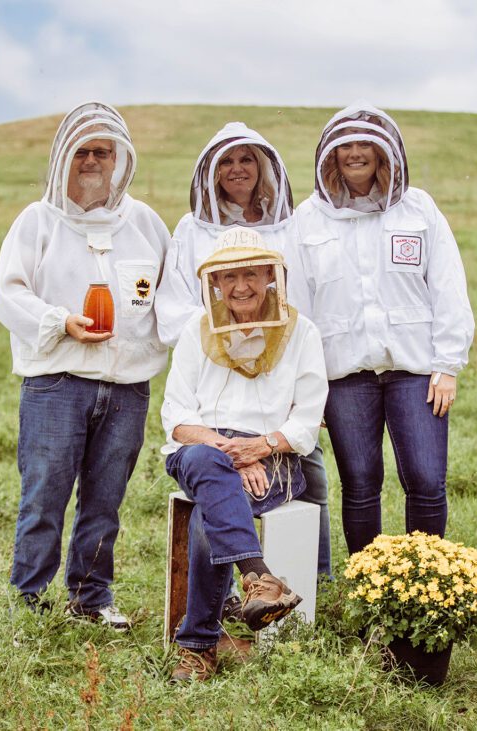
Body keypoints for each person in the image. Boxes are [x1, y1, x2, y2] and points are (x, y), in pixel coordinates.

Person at [0, 101, 171, 628]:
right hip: (56, 385)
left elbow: (172, 293)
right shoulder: (37, 221)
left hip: (127, 387)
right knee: (44, 495)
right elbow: (7, 293)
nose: (92, 161)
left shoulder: (144, 224)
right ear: (64, 157)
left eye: (103, 152)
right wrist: (58, 321)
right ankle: (28, 600)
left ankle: (91, 599)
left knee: (104, 500)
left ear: (120, 160)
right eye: (83, 152)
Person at [291, 101, 474, 555]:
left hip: (415, 369)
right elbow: (298, 307)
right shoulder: (308, 218)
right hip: (344, 375)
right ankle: (367, 583)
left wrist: (448, 365)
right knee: (359, 483)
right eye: (345, 145)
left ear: (385, 152)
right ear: (329, 155)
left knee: (427, 479)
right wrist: (304, 389)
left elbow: (448, 285)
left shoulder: (418, 209)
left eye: (364, 144)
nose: (355, 153)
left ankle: (422, 580)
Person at [155, 123, 334, 585]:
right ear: (211, 173)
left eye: (247, 160)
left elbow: (303, 300)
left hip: (277, 398)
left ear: (264, 168)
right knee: (217, 473)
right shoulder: (192, 229)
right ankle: (254, 582)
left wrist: (287, 352)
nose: (237, 169)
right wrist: (218, 334)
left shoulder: (286, 227)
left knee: (307, 478)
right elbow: (176, 303)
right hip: (212, 401)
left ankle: (312, 579)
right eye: (227, 162)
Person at [161, 228, 328, 681]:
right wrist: (228, 451)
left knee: (205, 516)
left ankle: (197, 645)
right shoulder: (196, 331)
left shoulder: (302, 331)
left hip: (273, 454)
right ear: (214, 282)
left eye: (252, 273)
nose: (241, 286)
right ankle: (258, 577)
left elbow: (307, 419)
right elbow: (175, 415)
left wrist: (257, 448)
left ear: (270, 276)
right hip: (203, 449)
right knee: (201, 460)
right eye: (229, 275)